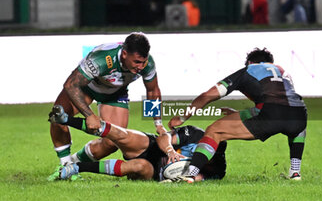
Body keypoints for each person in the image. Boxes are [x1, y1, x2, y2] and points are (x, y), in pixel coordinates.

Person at [167, 48, 307, 183]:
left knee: (214, 131)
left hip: (269, 114)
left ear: (250, 63)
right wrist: (238, 114)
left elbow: (207, 96)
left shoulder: (249, 70)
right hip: (299, 114)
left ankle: (190, 175)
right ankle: (295, 172)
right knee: (297, 122)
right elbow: (282, 103)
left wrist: (182, 117)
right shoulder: (283, 72)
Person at [48, 32, 167, 180]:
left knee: (112, 142)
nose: (141, 66)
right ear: (124, 54)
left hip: (115, 93)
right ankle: (64, 163)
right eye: (137, 62)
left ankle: (73, 164)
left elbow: (152, 90)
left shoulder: (147, 64)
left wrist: (158, 123)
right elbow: (71, 85)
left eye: (143, 62)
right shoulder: (103, 59)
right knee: (57, 117)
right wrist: (89, 114)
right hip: (87, 87)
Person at [48, 105, 227, 182]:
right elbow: (162, 137)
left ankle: (78, 167)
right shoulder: (196, 134)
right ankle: (66, 120)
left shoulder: (218, 168)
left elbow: (197, 179)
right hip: (151, 146)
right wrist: (171, 151)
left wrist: (187, 180)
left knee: (138, 166)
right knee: (121, 135)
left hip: (155, 169)